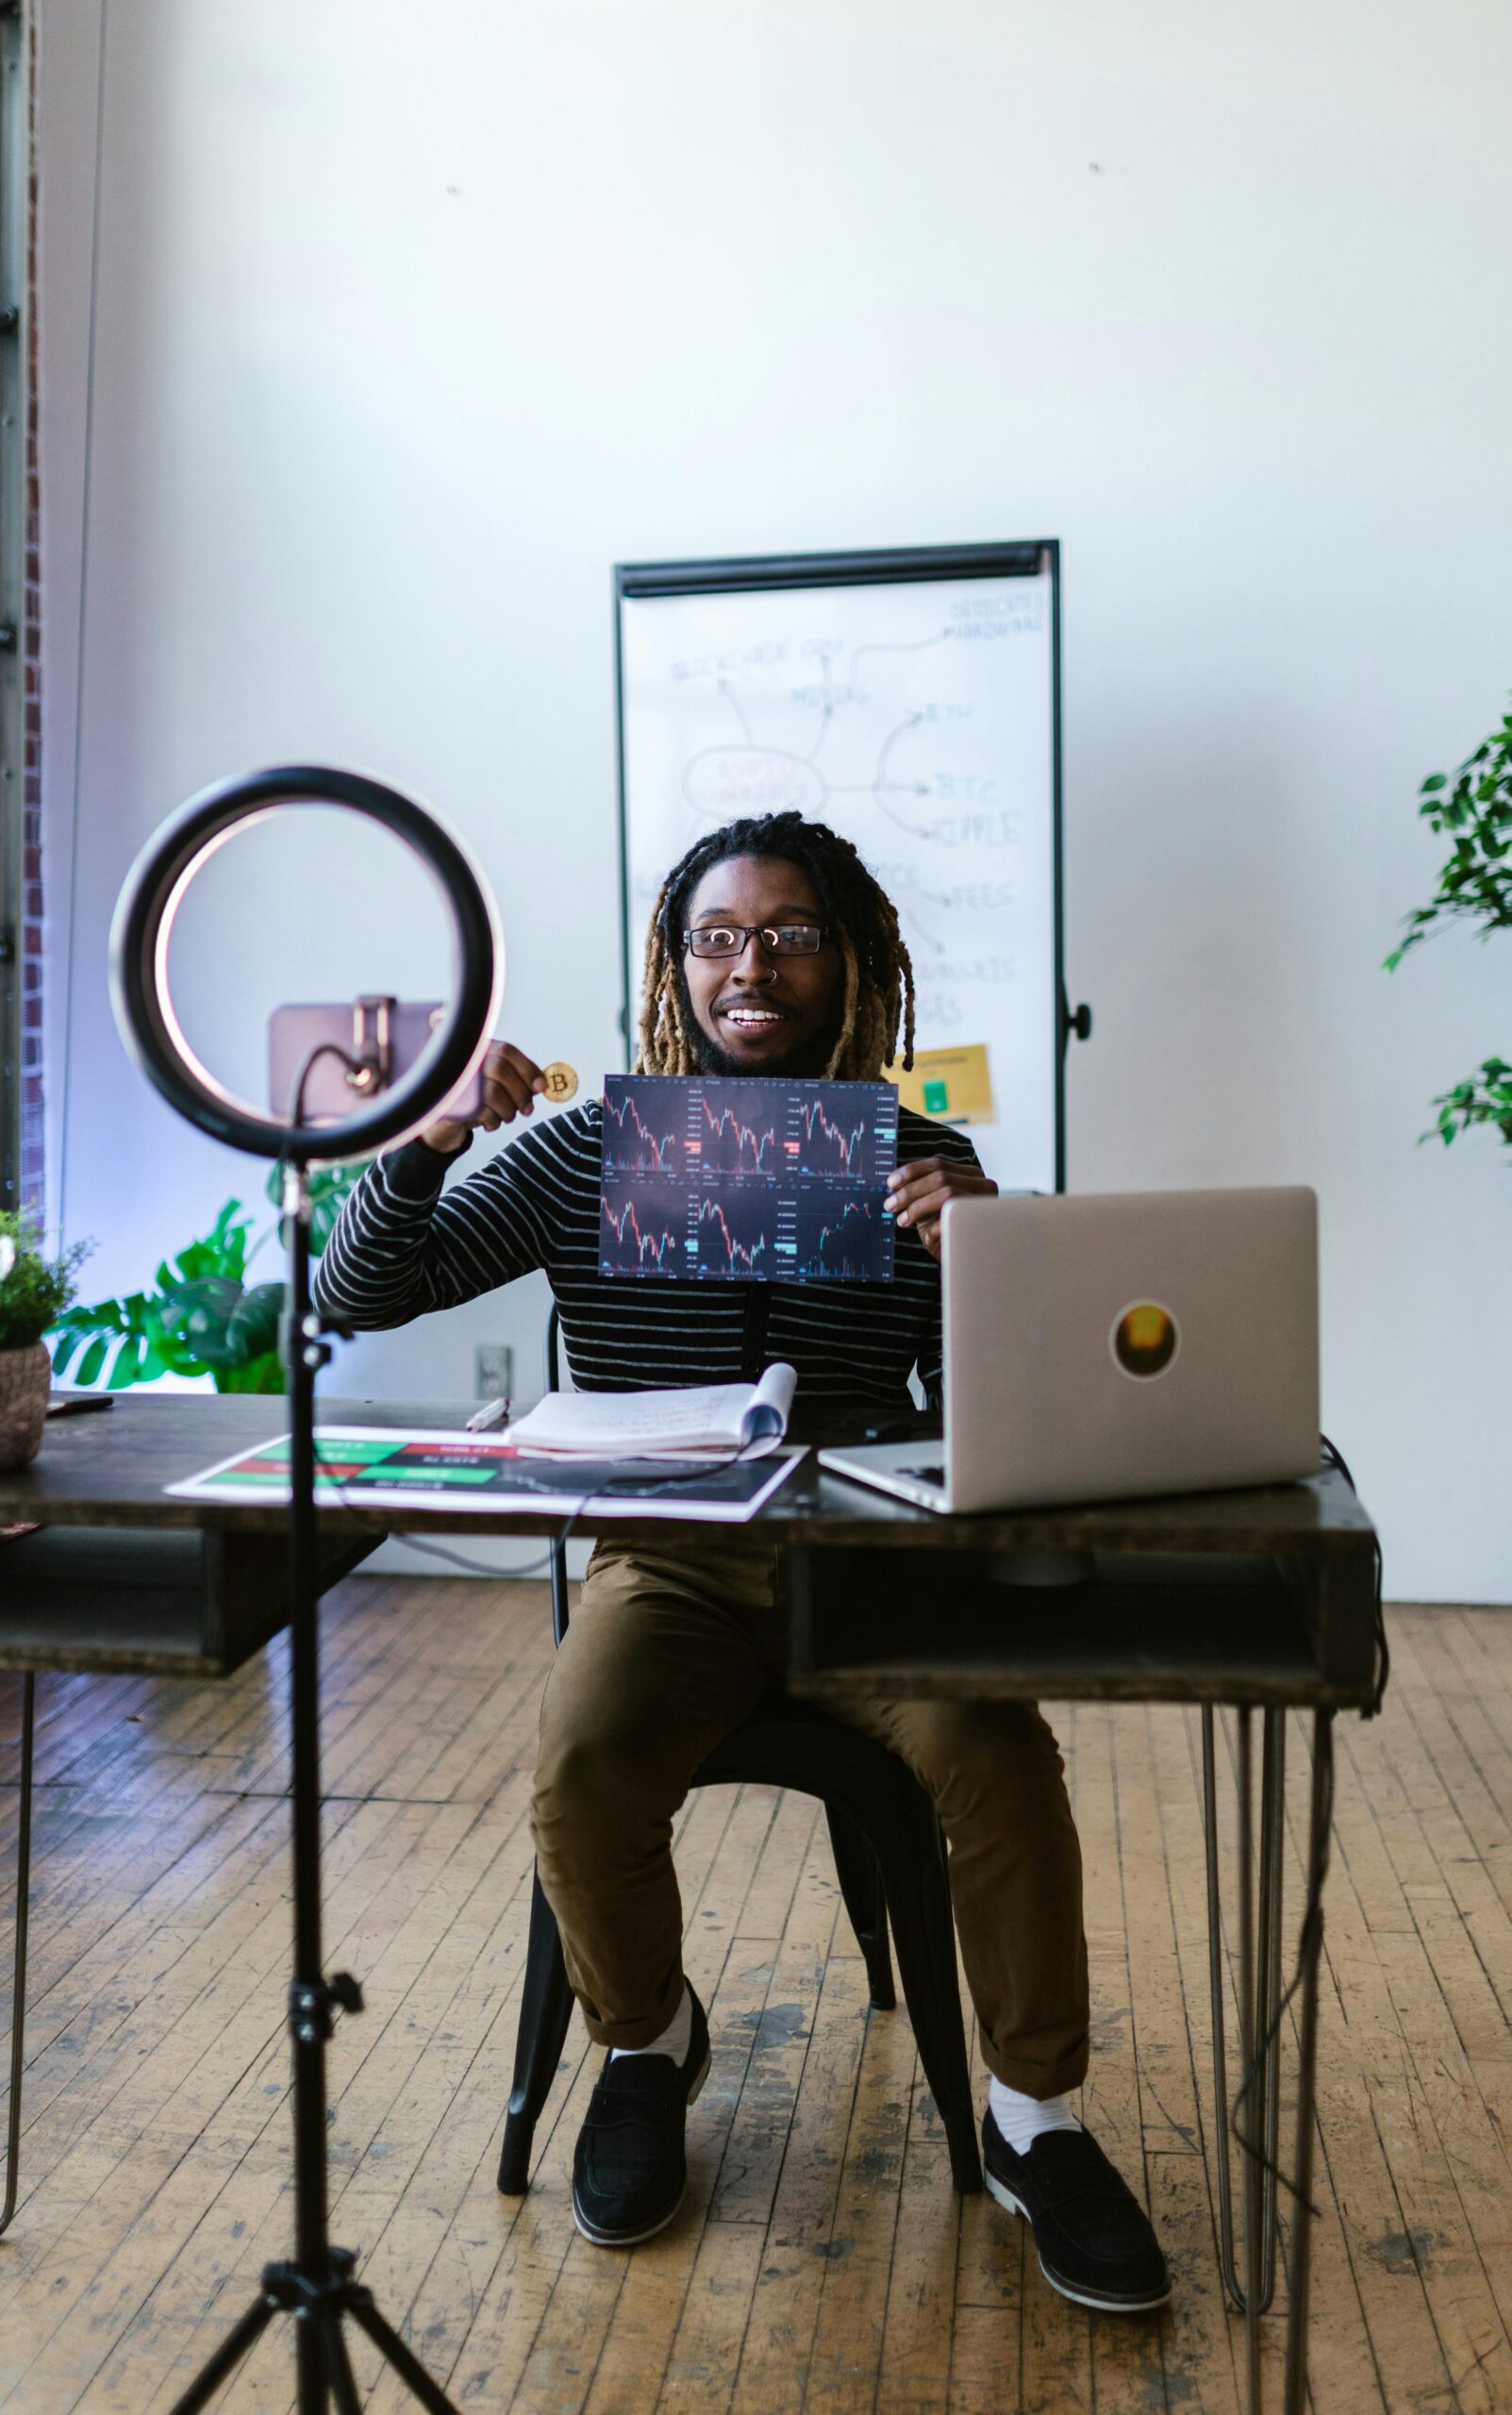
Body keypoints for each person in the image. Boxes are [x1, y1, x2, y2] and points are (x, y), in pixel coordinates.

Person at [316, 810, 1170, 2311]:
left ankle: (1036, 2119)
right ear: (676, 968)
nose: (750, 966)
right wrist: (429, 1136)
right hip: (675, 1562)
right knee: (580, 1758)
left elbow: (998, 1419)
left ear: (852, 967)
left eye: (789, 934)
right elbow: (369, 1291)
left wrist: (988, 1259)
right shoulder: (592, 1152)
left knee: (998, 1750)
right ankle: (648, 2048)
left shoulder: (918, 1155)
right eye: (717, 938)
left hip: (867, 1562)